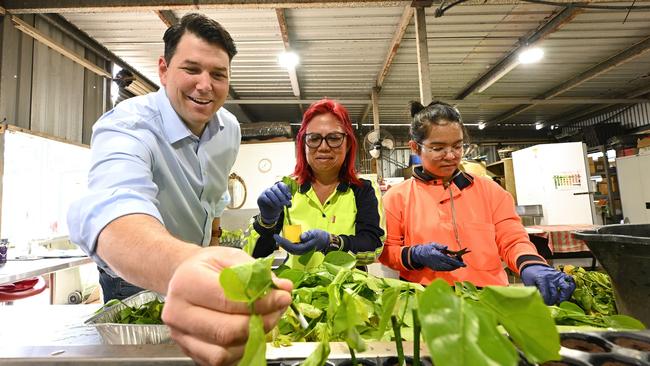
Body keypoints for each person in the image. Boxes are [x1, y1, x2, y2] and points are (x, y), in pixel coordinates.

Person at [67, 13, 292, 365]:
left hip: (200, 272)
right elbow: (113, 209)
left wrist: (212, 247)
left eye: (218, 74)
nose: (206, 85)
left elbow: (215, 196)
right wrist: (189, 264)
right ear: (163, 69)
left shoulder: (228, 129)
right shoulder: (128, 125)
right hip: (133, 282)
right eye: (191, 69)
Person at [379, 100, 575, 305]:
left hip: (490, 298)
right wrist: (415, 255)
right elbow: (386, 251)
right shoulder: (397, 197)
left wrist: (531, 264)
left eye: (457, 146)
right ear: (415, 148)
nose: (451, 155)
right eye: (438, 148)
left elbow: (512, 239)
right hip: (425, 300)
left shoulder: (490, 192)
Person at [251, 99, 384, 265]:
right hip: (297, 289)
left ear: (348, 144)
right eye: (314, 138)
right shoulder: (288, 189)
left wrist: (332, 242)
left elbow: (373, 249)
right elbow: (254, 256)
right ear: (303, 144)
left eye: (334, 138)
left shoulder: (363, 190)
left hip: (347, 289)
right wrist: (266, 222)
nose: (323, 147)